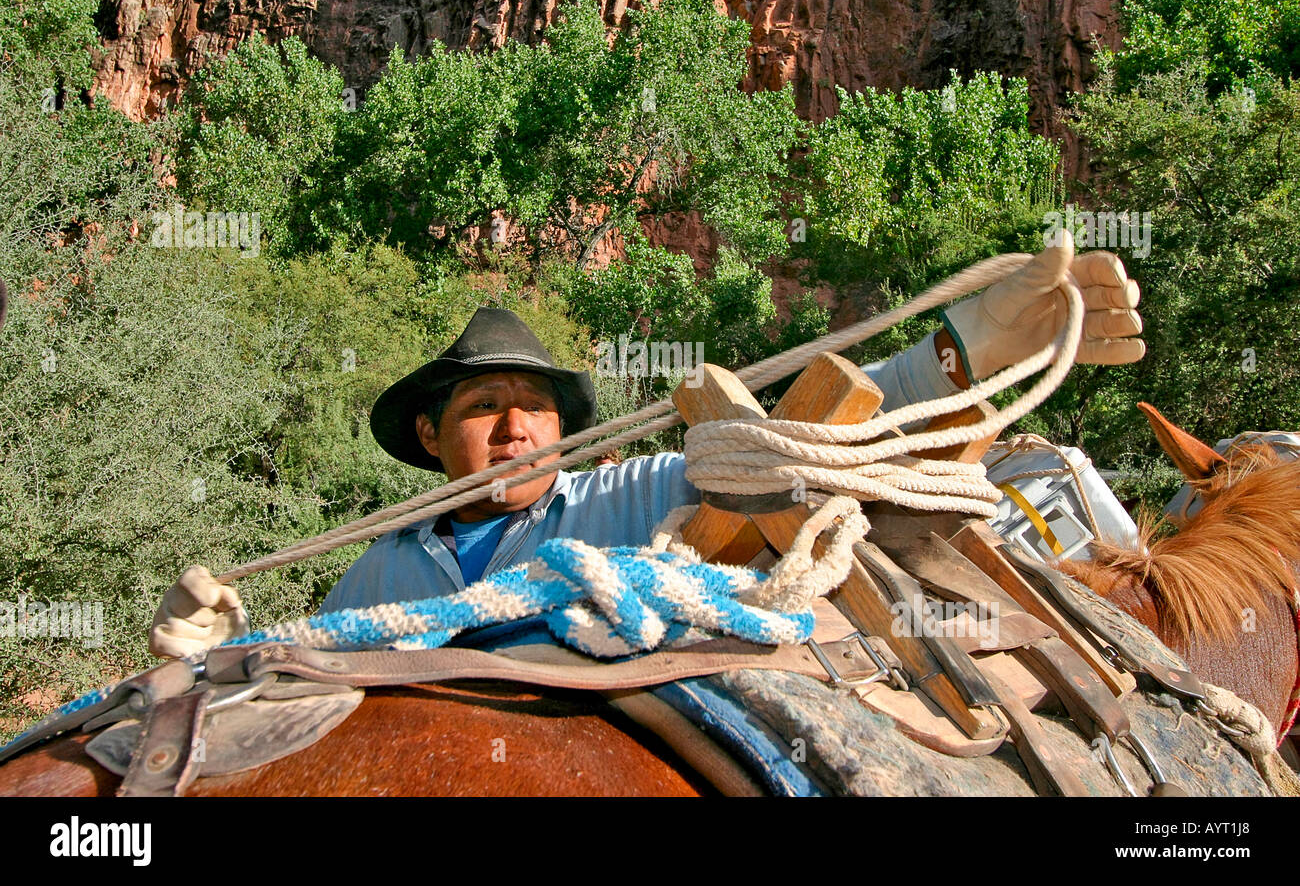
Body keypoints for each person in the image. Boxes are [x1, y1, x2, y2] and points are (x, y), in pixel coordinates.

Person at [149, 235, 1143, 658]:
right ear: (428, 434)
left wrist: (959, 350)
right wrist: (214, 649)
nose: (514, 427)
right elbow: (295, 661)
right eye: (484, 407)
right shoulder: (378, 571)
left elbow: (789, 445)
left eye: (532, 407)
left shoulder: (619, 496)